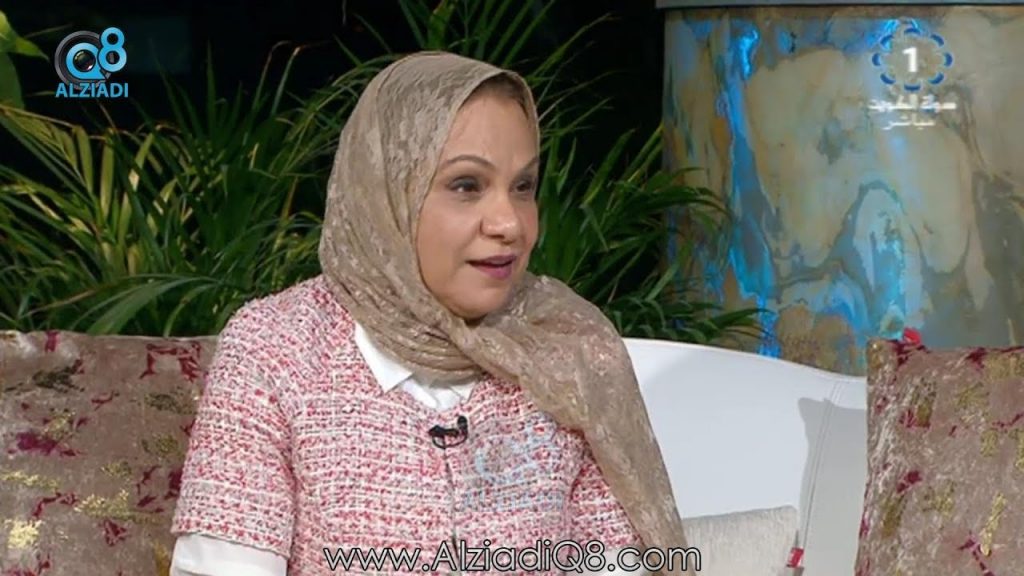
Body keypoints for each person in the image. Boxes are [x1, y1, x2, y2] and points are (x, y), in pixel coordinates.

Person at [169, 51, 692, 575]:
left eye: (523, 187)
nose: (510, 223)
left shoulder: (564, 347)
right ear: (387, 191)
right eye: (467, 186)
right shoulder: (276, 348)